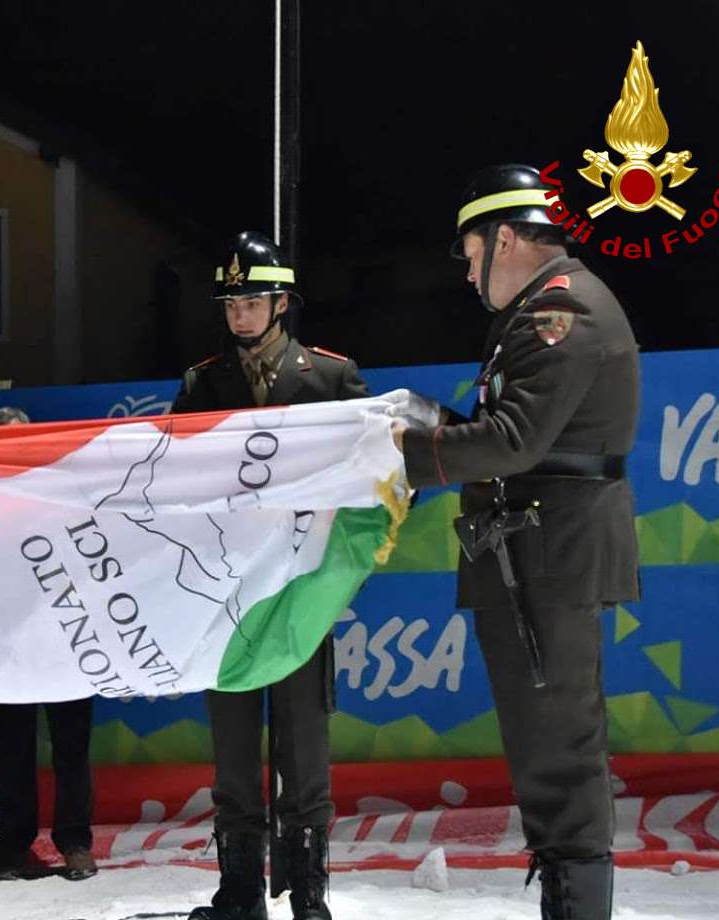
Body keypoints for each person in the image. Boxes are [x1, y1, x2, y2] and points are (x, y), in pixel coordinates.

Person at [390, 164, 640, 920]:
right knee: (541, 742)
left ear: (504, 239)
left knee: (558, 745)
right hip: (530, 551)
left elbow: (512, 440)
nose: (469, 275)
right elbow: (509, 434)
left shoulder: (561, 311)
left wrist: (400, 454)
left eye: (471, 255)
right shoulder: (538, 311)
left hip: (549, 554)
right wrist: (428, 422)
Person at [171, 231, 369, 920]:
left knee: (304, 747)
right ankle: (239, 891)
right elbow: (173, 481)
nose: (239, 315)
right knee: (232, 751)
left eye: (251, 302)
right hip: (226, 597)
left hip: (300, 591)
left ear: (282, 303)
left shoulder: (332, 378)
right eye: (230, 304)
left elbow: (364, 480)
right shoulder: (200, 384)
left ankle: (309, 891)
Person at [0, 405, 98, 883]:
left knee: (72, 744)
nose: (14, 447)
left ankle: (75, 842)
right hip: (10, 638)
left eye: (21, 438)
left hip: (67, 633)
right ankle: (14, 842)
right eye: (3, 440)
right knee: (12, 745)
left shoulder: (61, 489)